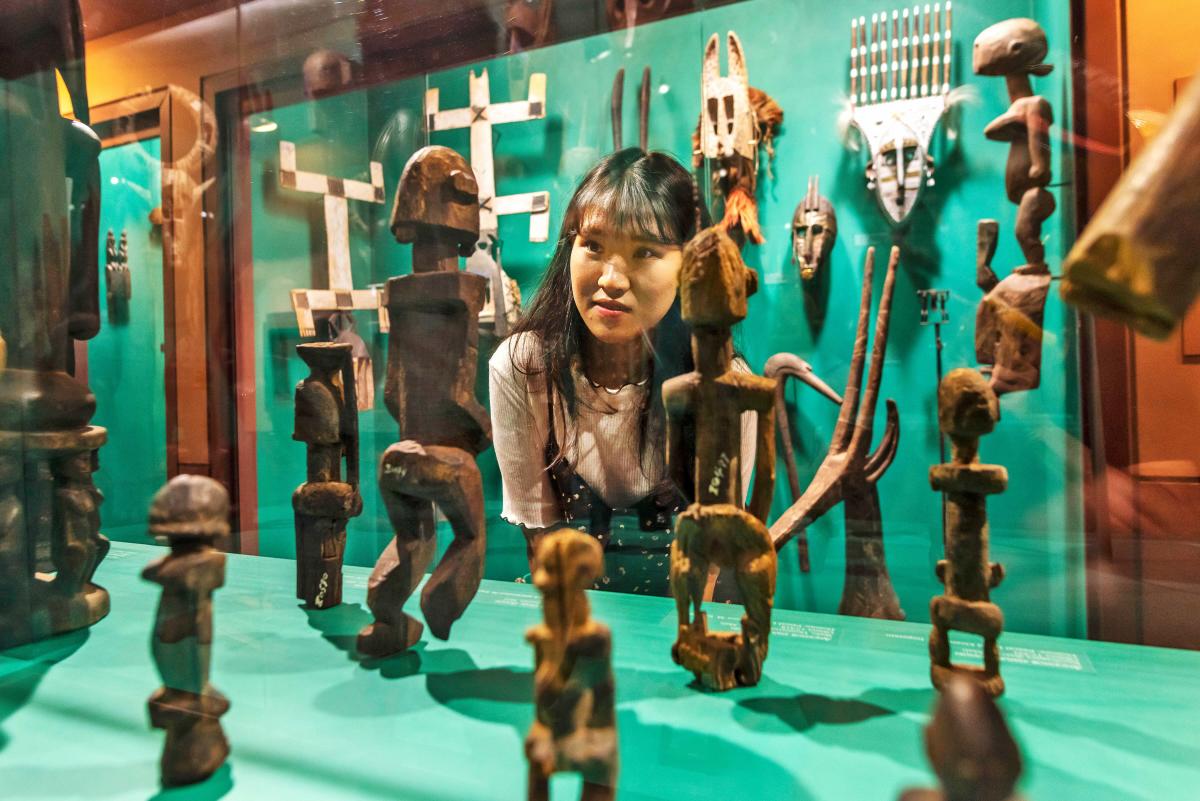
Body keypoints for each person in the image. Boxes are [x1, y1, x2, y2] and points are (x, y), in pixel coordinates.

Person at [488, 148, 753, 595]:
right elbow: (542, 545)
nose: (611, 278)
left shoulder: (725, 386)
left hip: (692, 617)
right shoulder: (523, 367)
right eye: (593, 245)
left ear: (690, 266)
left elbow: (713, 556)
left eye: (645, 251)